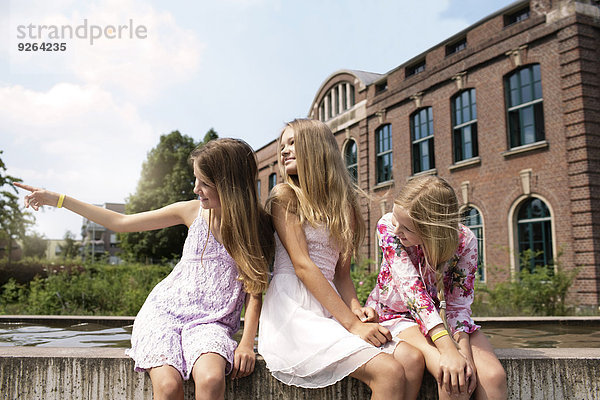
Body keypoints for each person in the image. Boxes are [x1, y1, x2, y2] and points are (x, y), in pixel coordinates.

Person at [16, 138, 274, 400]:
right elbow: (121, 222)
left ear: (231, 185)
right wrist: (58, 199)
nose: (196, 188)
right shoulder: (191, 211)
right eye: (195, 179)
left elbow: (255, 289)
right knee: (169, 387)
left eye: (205, 183)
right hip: (164, 314)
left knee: (211, 379)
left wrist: (246, 344)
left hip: (212, 322)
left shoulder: (256, 225)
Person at [258, 119, 424, 400]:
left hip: (332, 306)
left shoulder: (345, 205)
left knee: (412, 359)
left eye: (292, 143)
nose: (284, 151)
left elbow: (342, 275)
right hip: (294, 309)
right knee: (388, 371)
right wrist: (353, 325)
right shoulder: (285, 196)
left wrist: (357, 310)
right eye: (282, 146)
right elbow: (302, 265)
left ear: (317, 148)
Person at [365, 176, 507, 400]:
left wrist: (464, 354)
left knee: (493, 376)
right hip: (399, 315)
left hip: (445, 317)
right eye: (396, 220)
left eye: (407, 228)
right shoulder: (388, 227)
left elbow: (458, 304)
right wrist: (449, 351)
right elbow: (412, 292)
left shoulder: (465, 241)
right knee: (450, 376)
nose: (398, 230)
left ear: (432, 229)